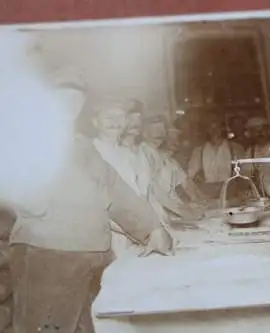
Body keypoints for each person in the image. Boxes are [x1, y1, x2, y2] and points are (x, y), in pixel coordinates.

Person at [8, 68, 174, 333]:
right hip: (48, 256)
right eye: (61, 100)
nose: (70, 107)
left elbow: (116, 190)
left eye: (76, 101)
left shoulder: (83, 146)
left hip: (91, 258)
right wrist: (41, 208)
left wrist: (151, 227)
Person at [188, 117, 245, 199]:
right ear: (207, 130)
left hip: (230, 193)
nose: (214, 131)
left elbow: (245, 173)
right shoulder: (198, 151)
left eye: (217, 127)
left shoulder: (236, 148)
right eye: (211, 127)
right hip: (207, 194)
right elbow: (190, 176)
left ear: (222, 128)